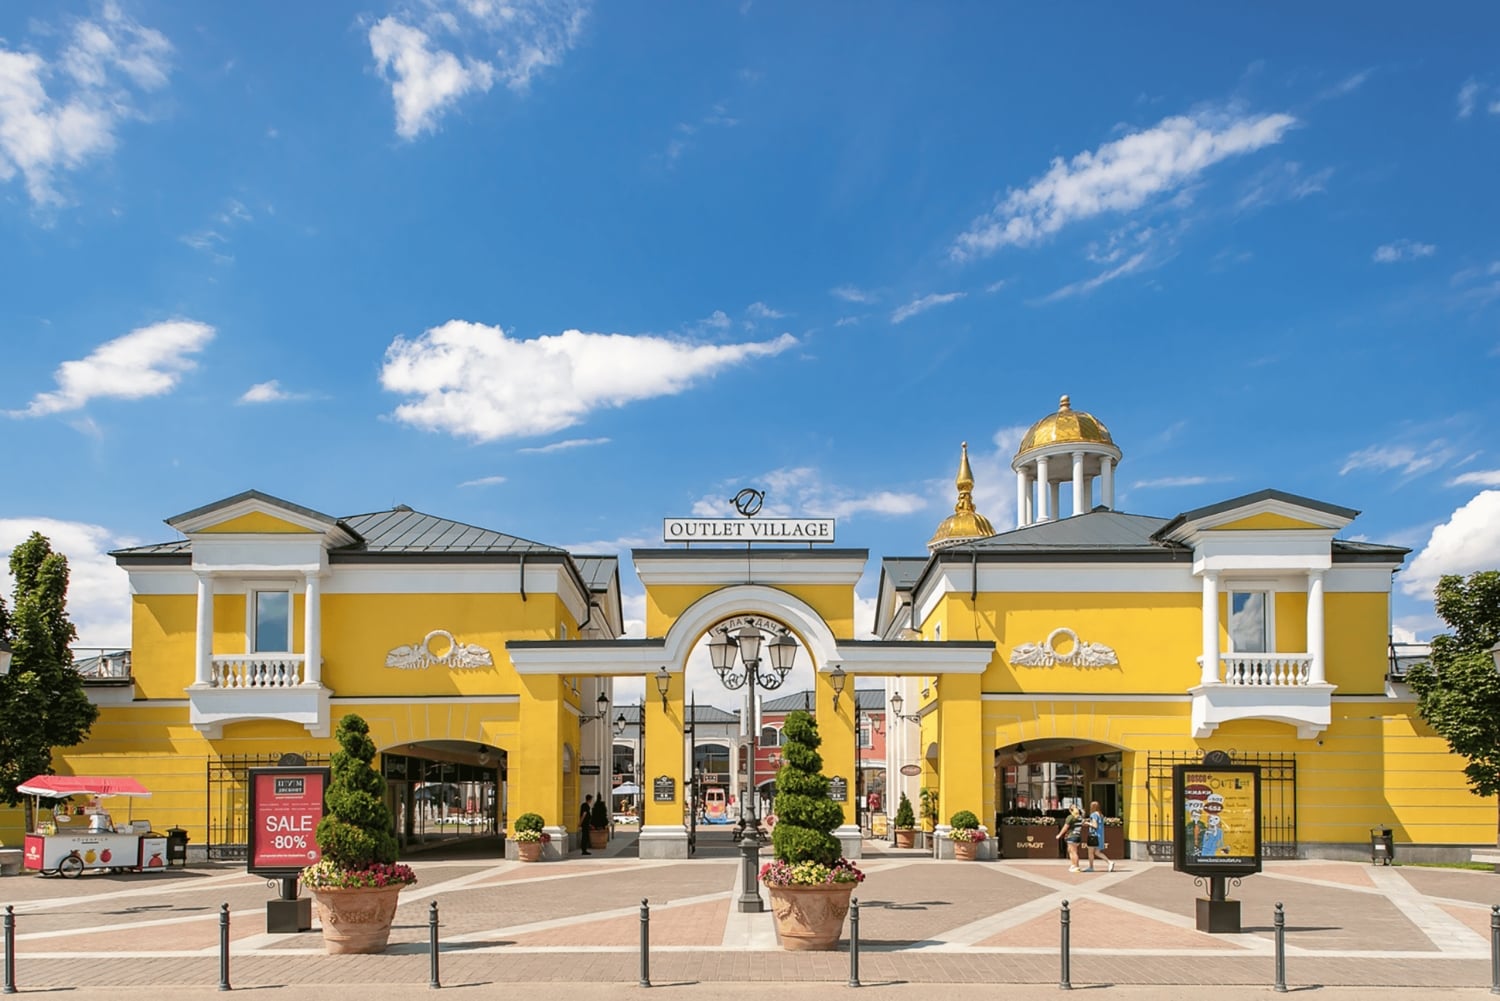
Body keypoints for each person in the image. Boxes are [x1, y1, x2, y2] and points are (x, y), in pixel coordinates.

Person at [1085, 800, 1115, 872]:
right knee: (1097, 852)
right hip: (1100, 835)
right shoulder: (1100, 815)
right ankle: (1109, 862)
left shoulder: (1093, 815)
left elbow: (1095, 826)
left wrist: (1087, 823)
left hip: (1093, 835)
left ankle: (1091, 867)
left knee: (1090, 852)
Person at [1057, 805, 1085, 871]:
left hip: (1071, 835)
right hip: (1077, 836)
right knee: (1070, 850)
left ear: (1070, 810)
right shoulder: (1080, 817)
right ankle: (1073, 865)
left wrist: (1059, 834)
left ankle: (1076, 866)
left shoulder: (1070, 817)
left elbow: (1065, 827)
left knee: (1073, 852)